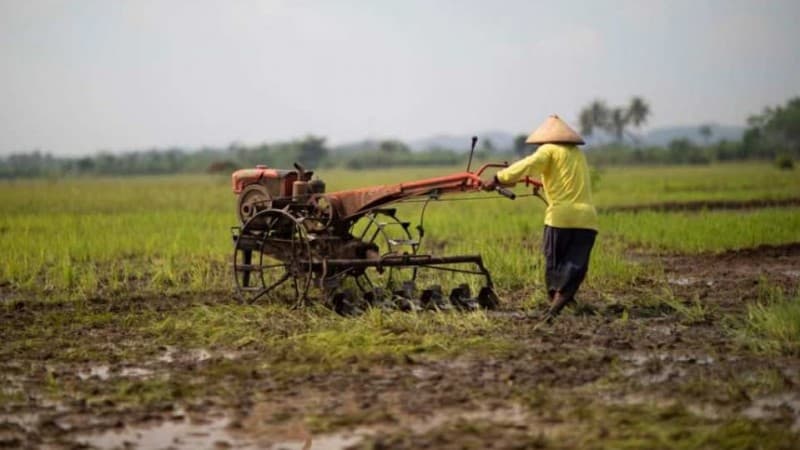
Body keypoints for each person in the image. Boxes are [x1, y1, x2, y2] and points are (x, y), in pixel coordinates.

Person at [483, 114, 598, 320]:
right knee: (575, 263)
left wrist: (497, 178)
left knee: (554, 263)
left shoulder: (548, 150)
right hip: (587, 219)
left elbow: (528, 165)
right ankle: (567, 301)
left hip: (561, 217)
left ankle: (554, 307)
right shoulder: (578, 154)